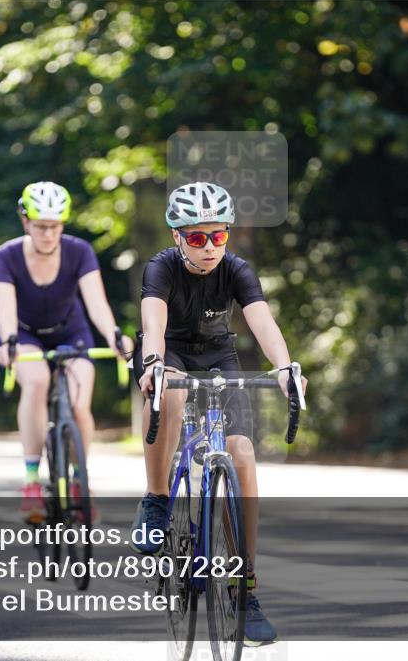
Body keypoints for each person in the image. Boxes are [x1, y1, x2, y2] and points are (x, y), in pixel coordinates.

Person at [131, 181, 306, 646]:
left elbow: (262, 321)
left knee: (243, 454)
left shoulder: (237, 270)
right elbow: (153, 324)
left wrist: (285, 368)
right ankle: (156, 498)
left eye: (218, 236)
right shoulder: (161, 268)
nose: (209, 247)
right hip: (167, 353)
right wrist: (153, 364)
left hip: (217, 356)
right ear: (177, 237)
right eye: (196, 237)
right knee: (170, 395)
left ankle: (245, 587)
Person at [0, 181, 132, 523]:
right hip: (23, 335)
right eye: (40, 227)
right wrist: (10, 346)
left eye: (54, 227)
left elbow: (96, 303)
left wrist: (114, 337)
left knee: (80, 399)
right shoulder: (5, 256)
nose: (48, 235)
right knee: (37, 380)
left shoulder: (79, 251)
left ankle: (79, 480)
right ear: (25, 222)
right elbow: (5, 312)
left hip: (71, 331)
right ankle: (31, 483)